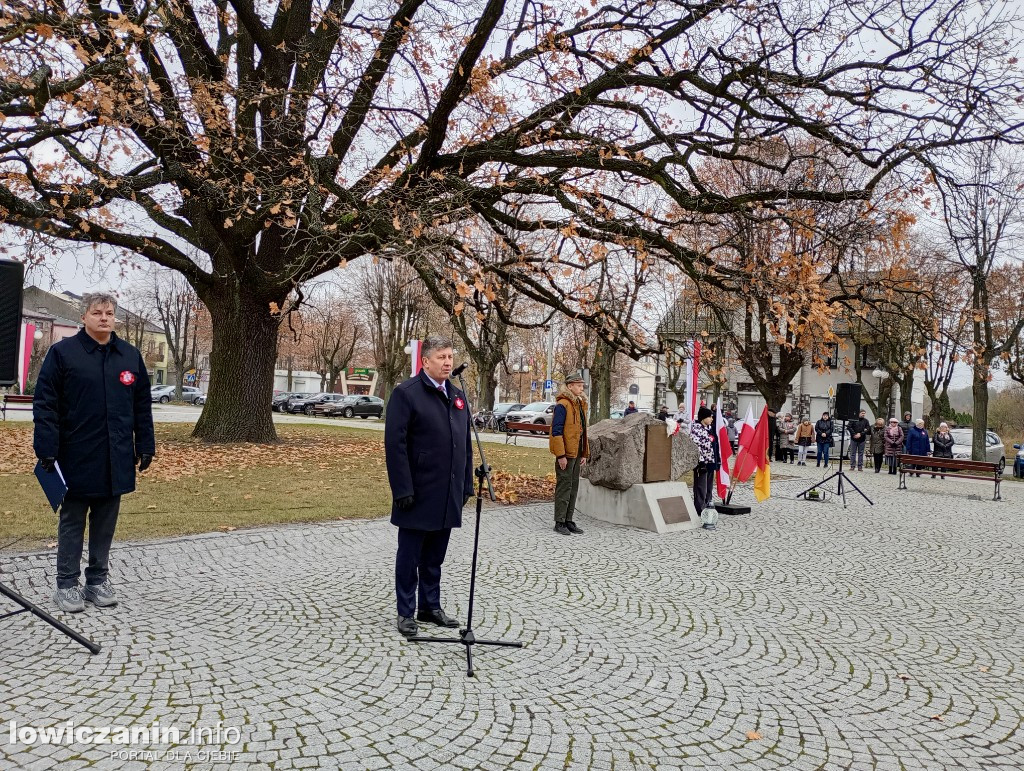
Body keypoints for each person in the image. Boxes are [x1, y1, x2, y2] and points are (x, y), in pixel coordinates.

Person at [33, 292, 155, 613]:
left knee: (105, 522)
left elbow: (141, 405)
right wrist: (46, 446)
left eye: (109, 312)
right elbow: (46, 403)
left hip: (115, 456)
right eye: (97, 312)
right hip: (74, 454)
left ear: (115, 318)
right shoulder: (63, 354)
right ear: (84, 316)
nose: (104, 317)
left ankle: (97, 580)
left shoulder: (129, 356)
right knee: (73, 520)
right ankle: (66, 584)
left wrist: (145, 444)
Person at [384, 335, 473, 638]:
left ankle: (430, 606)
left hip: (447, 490)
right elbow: (394, 445)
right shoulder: (406, 394)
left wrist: (466, 485)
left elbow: (465, 444)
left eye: (450, 356)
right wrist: (402, 489)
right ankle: (406, 611)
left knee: (435, 554)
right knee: (410, 555)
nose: (448, 362)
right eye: (441, 357)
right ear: (425, 361)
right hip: (417, 491)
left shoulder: (457, 395)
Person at [549, 371, 590, 535]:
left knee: (573, 487)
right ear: (570, 386)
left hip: (577, 452)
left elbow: (583, 431)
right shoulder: (563, 405)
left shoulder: (579, 404)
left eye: (582, 386)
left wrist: (584, 453)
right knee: (564, 486)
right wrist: (561, 455)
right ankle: (559, 521)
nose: (581, 388)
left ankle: (568, 519)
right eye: (578, 385)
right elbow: (556, 431)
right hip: (566, 453)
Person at [689, 406, 719, 514]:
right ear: (703, 418)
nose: (712, 419)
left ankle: (707, 505)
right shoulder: (697, 429)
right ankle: (699, 508)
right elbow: (696, 447)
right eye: (710, 417)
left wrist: (716, 460)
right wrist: (701, 462)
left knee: (709, 486)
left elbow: (714, 445)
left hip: (710, 462)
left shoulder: (708, 429)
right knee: (701, 487)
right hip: (701, 464)